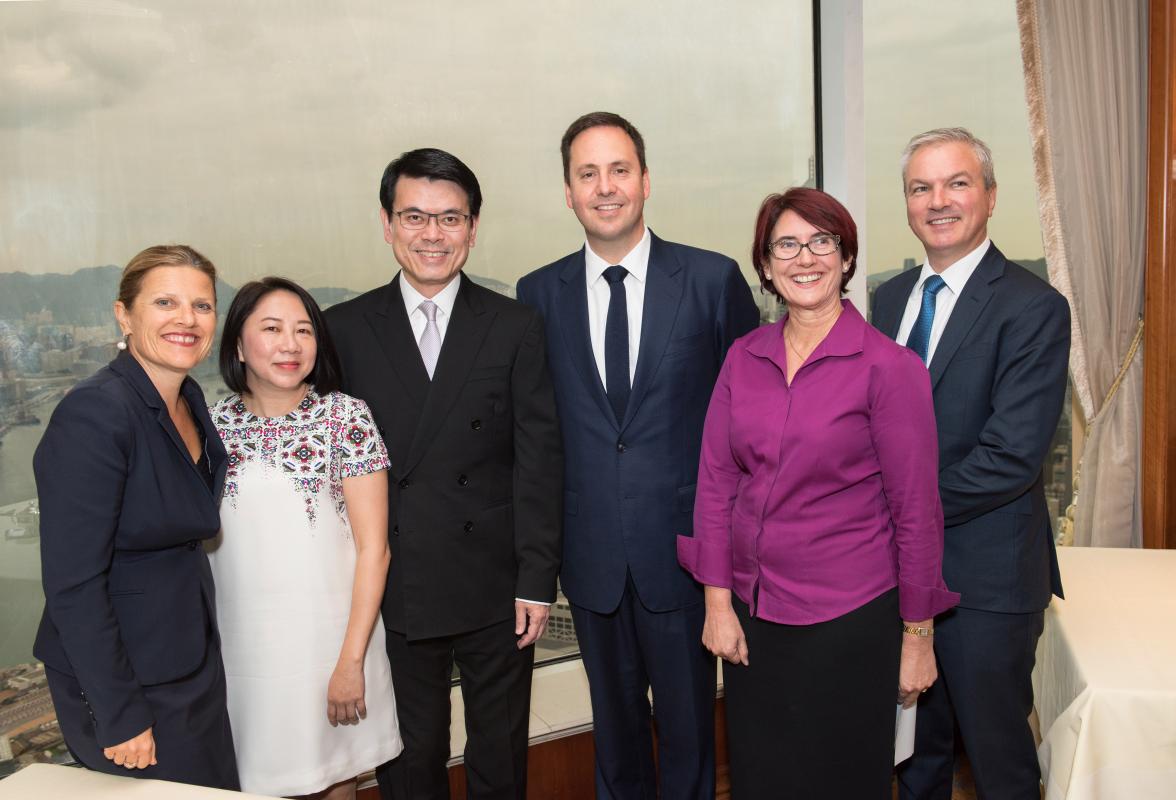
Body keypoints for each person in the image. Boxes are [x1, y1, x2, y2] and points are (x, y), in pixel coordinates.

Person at [677, 187, 959, 798]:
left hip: (851, 622)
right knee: (762, 778)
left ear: (846, 258)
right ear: (766, 265)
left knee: (842, 781)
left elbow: (916, 515)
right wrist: (718, 605)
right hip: (754, 619)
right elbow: (717, 486)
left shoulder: (890, 368)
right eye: (786, 244)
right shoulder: (742, 358)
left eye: (821, 242)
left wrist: (918, 638)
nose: (804, 258)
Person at [516, 112, 759, 799]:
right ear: (567, 192)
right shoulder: (537, 295)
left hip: (686, 561)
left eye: (619, 169)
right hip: (590, 562)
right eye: (587, 173)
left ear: (646, 180)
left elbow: (747, 426)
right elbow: (539, 434)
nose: (605, 187)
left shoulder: (712, 282)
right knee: (615, 744)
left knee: (689, 739)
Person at [325, 147, 562, 800]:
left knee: (500, 756)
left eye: (450, 219)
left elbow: (539, 461)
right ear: (387, 223)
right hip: (397, 585)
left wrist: (538, 579)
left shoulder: (514, 324)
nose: (433, 235)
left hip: (496, 587)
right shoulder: (344, 329)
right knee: (410, 759)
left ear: (473, 228)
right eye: (416, 217)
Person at [873, 127, 1070, 800]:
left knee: (998, 763)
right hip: (900, 584)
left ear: (989, 196)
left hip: (985, 584)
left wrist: (888, 509)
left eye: (956, 183)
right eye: (920, 187)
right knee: (916, 761)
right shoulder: (888, 300)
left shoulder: (1033, 306)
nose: (938, 201)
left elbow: (1009, 459)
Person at [32, 245, 238, 789]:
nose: (187, 319)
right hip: (128, 680)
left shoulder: (188, 397)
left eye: (202, 305)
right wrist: (121, 714)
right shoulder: (96, 411)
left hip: (187, 660)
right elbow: (73, 583)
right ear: (124, 315)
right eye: (165, 302)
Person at [205, 278, 402, 799]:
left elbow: (373, 550)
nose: (290, 344)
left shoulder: (346, 418)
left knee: (333, 783)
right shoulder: (211, 425)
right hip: (243, 656)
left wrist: (350, 662)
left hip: (330, 650)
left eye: (303, 330)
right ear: (239, 345)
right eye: (271, 329)